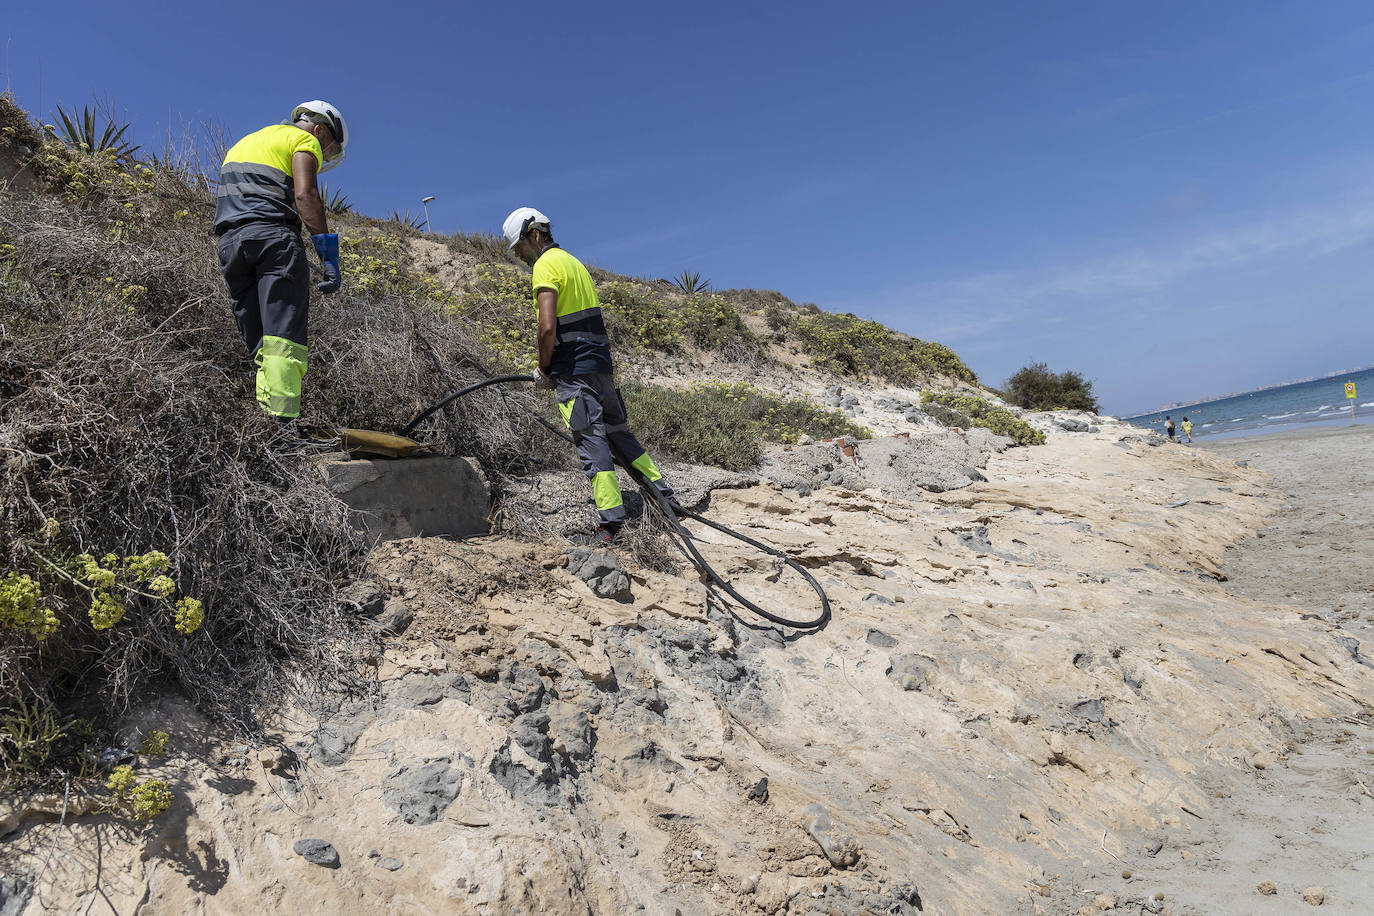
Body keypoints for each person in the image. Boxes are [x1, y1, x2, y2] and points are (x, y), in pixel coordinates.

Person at [503, 207, 674, 542]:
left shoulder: (545, 266)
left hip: (575, 372)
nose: (519, 256)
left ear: (534, 236)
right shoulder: (574, 264)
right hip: (601, 367)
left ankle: (611, 525)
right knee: (620, 436)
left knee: (592, 444)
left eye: (518, 248)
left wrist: (544, 367)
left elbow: (547, 326)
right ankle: (664, 496)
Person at [213, 101, 348, 424]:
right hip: (274, 240)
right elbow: (306, 196)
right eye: (326, 149)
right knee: (284, 340)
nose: (321, 154)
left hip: (230, 245)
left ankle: (266, 422)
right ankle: (285, 428)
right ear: (319, 129)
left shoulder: (244, 143)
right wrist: (327, 254)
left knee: (262, 342)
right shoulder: (303, 141)